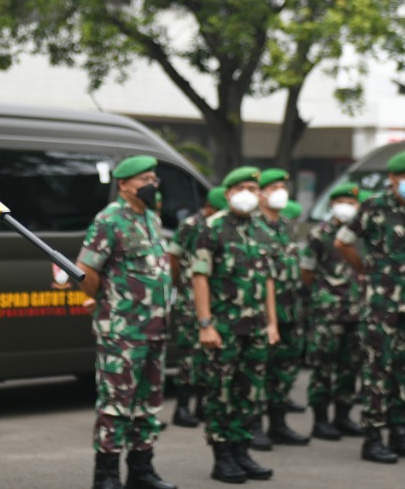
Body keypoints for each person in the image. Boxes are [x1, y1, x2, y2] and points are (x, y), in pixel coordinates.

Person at [77, 155, 176, 489]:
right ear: (124, 184)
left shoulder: (151, 217)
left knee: (148, 405)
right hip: (123, 331)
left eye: (154, 179)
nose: (153, 184)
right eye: (145, 178)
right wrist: (107, 305)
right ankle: (106, 475)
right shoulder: (109, 219)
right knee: (116, 404)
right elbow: (86, 270)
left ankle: (141, 470)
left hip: (155, 329)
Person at [334, 149, 405, 464]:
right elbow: (342, 241)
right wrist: (365, 269)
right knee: (378, 368)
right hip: (380, 302)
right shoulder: (374, 206)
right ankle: (373, 438)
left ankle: (399, 433)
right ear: (392, 179)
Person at [193, 166, 279, 483]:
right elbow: (199, 277)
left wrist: (272, 322)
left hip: (256, 327)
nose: (249, 194)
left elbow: (268, 280)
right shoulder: (211, 229)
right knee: (221, 393)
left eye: (254, 189)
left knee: (250, 393)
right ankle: (223, 456)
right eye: (241, 188)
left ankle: (243, 452)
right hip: (224, 326)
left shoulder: (262, 230)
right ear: (228, 193)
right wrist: (205, 324)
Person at [300, 183, 366, 442]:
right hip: (328, 309)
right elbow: (307, 271)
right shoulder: (319, 234)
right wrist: (322, 294)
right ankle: (320, 419)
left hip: (357, 308)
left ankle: (343, 415)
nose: (346, 207)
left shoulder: (361, 235)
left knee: (350, 365)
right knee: (323, 366)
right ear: (331, 205)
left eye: (351, 203)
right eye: (341, 202)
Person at [253, 168, 311, 447]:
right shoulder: (251, 225)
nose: (280, 191)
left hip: (289, 307)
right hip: (261, 311)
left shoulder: (287, 225)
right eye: (273, 186)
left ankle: (278, 423)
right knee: (258, 368)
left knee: (284, 368)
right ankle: (253, 426)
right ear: (260, 193)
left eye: (282, 186)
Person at [167, 186, 225, 428]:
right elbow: (173, 257)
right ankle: (181, 408)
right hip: (191, 299)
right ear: (210, 207)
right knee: (190, 357)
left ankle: (201, 406)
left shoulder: (219, 226)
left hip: (213, 298)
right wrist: (179, 285)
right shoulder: (192, 225)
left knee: (208, 358)